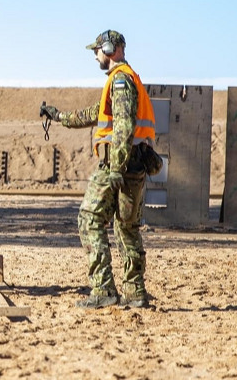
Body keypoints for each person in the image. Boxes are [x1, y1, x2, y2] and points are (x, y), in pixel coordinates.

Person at [39, 30, 157, 308]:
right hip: (135, 164)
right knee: (127, 228)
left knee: (89, 218)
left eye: (98, 50)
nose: (95, 56)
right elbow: (93, 115)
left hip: (119, 165)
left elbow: (124, 126)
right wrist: (57, 116)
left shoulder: (120, 81)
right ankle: (135, 293)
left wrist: (115, 167)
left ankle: (103, 290)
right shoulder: (125, 80)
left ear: (111, 49)